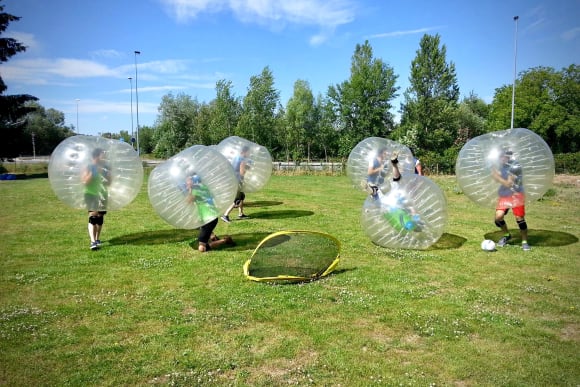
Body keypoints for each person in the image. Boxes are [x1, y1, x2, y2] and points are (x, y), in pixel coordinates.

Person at [491, 149, 530, 251]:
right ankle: (507, 235)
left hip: (517, 195)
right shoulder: (502, 166)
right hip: (505, 194)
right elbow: (496, 179)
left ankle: (524, 241)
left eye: (502, 157)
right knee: (498, 218)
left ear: (507, 157)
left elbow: (508, 183)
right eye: (499, 157)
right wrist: (496, 175)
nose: (500, 159)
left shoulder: (515, 166)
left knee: (519, 218)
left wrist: (497, 176)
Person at [184, 174, 234, 252]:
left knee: (202, 248)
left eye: (188, 180)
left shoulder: (195, 190)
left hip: (208, 219)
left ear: (193, 180)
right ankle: (212, 236)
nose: (186, 182)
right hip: (210, 217)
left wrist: (189, 190)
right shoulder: (204, 187)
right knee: (199, 226)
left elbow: (188, 201)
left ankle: (225, 240)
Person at [81, 148, 111, 250]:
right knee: (93, 216)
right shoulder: (89, 167)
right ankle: (93, 242)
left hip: (102, 194)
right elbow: (85, 182)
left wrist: (108, 176)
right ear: (97, 156)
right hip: (91, 194)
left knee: (100, 217)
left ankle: (97, 239)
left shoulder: (106, 167)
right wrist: (93, 173)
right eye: (103, 154)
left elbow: (109, 183)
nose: (105, 156)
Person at [221, 146, 251, 223]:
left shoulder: (236, 158)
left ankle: (241, 213)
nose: (249, 154)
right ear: (245, 152)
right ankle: (225, 215)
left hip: (233, 179)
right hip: (238, 181)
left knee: (241, 197)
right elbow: (242, 172)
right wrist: (247, 168)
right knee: (237, 199)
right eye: (248, 152)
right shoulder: (242, 159)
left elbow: (235, 168)